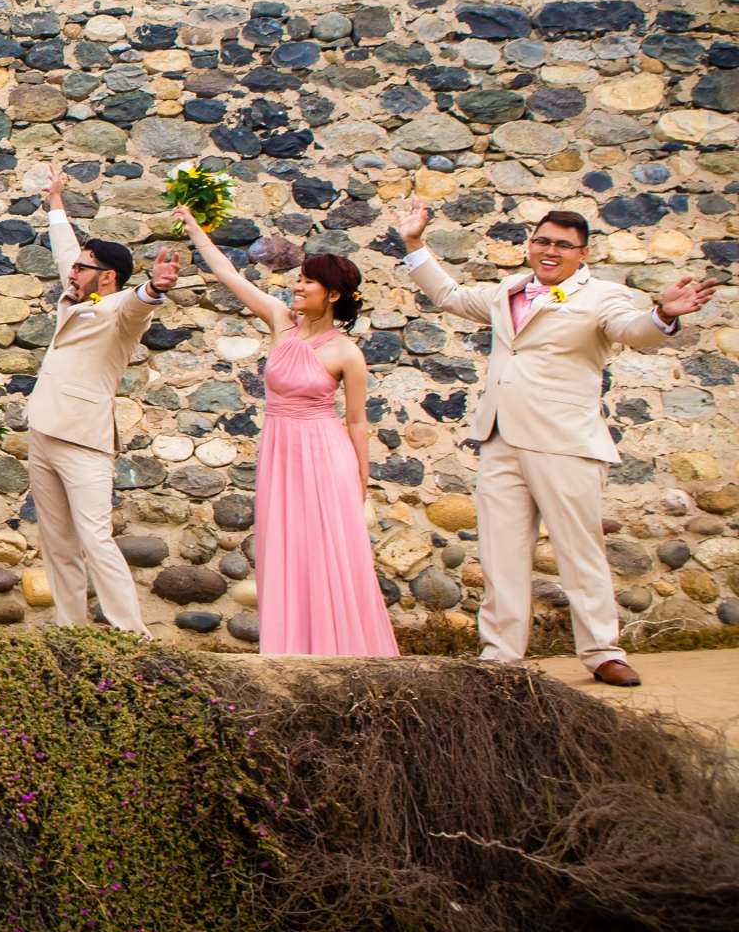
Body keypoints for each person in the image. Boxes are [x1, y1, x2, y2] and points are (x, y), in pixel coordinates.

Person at [394, 200, 717, 685]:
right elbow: (452, 297)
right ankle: (501, 654)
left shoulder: (602, 296)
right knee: (501, 552)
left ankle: (603, 651)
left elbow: (633, 331)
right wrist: (415, 243)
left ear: (582, 254)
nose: (550, 251)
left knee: (577, 550)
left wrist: (662, 315)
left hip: (565, 442)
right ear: (531, 246)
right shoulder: (509, 290)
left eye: (563, 245)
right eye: (542, 241)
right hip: (500, 438)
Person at [178, 211, 395, 656]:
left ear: (332, 294)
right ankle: (292, 650)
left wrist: (361, 478)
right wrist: (194, 228)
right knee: (285, 552)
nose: (297, 286)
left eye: (307, 282)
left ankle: (342, 651)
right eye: (298, 279)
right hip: (281, 454)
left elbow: (357, 421)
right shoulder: (279, 321)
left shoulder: (346, 353)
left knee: (327, 553)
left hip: (324, 456)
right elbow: (226, 273)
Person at [28, 164, 182, 633]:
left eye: (82, 267)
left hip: (84, 440)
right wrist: (56, 203)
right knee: (56, 542)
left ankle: (131, 634)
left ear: (107, 277)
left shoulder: (120, 311)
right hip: (42, 431)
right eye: (75, 266)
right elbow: (64, 252)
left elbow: (139, 305)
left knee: (95, 537)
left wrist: (154, 287)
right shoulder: (75, 296)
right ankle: (70, 631)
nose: (71, 271)